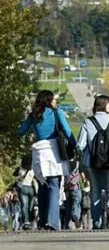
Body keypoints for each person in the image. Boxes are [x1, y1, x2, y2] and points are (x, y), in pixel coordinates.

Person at [19, 90, 75, 230]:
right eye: (54, 99)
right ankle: (52, 222)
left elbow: (21, 131)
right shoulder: (57, 113)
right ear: (49, 100)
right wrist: (75, 146)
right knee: (54, 185)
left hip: (38, 154)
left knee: (43, 186)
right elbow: (67, 131)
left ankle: (42, 221)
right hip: (53, 151)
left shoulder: (34, 115)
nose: (55, 102)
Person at [76, 95, 109, 230]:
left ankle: (97, 223)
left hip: (92, 163)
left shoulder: (88, 122)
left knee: (95, 191)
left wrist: (82, 161)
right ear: (104, 105)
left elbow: (80, 145)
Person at [13, 154, 37, 231]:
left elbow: (14, 174)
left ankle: (26, 222)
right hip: (30, 188)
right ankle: (30, 221)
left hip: (22, 188)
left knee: (24, 206)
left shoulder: (19, 169)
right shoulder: (33, 169)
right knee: (30, 207)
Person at [63, 160, 82, 229]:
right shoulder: (76, 163)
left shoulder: (64, 164)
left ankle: (67, 224)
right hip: (75, 187)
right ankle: (75, 215)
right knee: (76, 203)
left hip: (67, 187)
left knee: (68, 206)